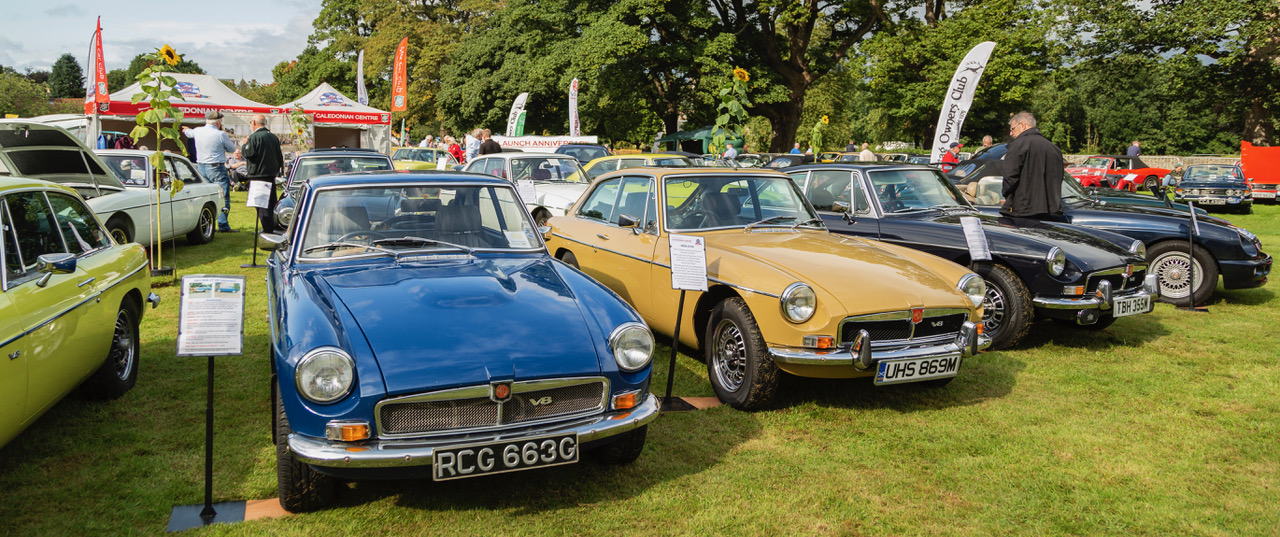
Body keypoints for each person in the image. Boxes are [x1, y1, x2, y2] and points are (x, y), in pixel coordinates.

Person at [182, 111, 237, 232]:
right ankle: (223, 224)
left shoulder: (197, 130)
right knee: (223, 196)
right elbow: (232, 148)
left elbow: (188, 133)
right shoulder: (220, 134)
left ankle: (206, 222)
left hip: (201, 166)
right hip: (216, 167)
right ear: (218, 122)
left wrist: (186, 129)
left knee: (207, 196)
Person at [1001, 111, 1063, 219]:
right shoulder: (1054, 149)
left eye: (1012, 129)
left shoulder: (1018, 145)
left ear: (1023, 125)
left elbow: (1010, 176)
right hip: (1052, 211)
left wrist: (1007, 195)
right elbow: (1059, 178)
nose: (1011, 133)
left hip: (1024, 210)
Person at [241, 113, 285, 233]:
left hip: (258, 175)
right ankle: (273, 225)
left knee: (261, 204)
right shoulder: (273, 137)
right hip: (270, 175)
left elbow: (248, 154)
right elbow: (280, 157)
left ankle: (267, 228)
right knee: (271, 202)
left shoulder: (254, 137)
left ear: (254, 123)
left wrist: (244, 145)